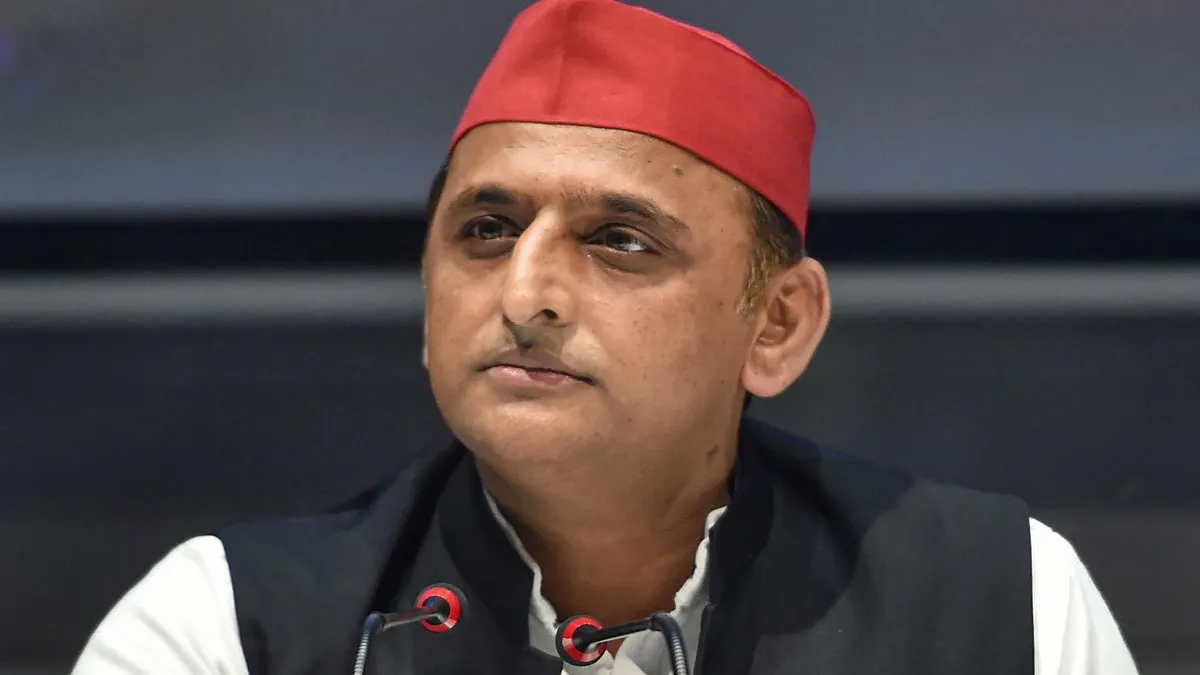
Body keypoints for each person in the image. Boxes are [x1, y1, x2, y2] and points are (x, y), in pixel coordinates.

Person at [70, 1, 1139, 674]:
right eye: (486, 230)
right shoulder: (225, 626)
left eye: (621, 241)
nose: (525, 291)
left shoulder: (1005, 600)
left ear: (776, 325)